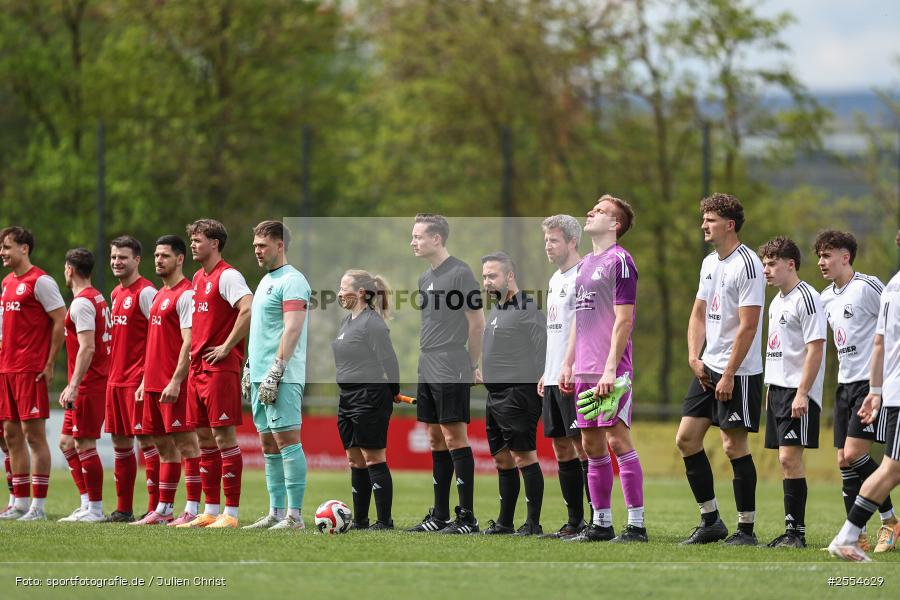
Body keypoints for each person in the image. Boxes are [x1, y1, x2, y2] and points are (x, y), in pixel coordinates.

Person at [675, 193, 765, 545]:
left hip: (738, 372)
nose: (703, 225)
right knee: (686, 439)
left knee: (733, 446)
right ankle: (711, 520)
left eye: (709, 220)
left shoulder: (749, 264)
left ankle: (746, 530)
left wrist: (728, 373)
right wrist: (693, 356)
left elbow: (748, 326)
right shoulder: (710, 262)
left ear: (729, 224)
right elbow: (698, 313)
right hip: (707, 367)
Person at [560, 195, 646, 543]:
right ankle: (601, 524)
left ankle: (637, 526)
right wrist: (568, 363)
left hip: (612, 370)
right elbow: (578, 321)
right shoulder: (583, 265)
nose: (591, 211)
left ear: (615, 225)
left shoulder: (621, 261)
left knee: (617, 440)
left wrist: (611, 368)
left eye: (600, 210)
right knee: (591, 444)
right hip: (583, 370)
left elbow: (625, 320)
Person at [816, 230, 896, 552]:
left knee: (854, 453)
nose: (821, 262)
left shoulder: (869, 287)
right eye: (819, 255)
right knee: (843, 460)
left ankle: (890, 522)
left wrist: (882, 381)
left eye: (827, 255)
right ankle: (857, 534)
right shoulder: (825, 298)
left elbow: (890, 326)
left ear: (845, 257)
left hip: (869, 384)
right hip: (844, 384)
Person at [407, 214, 485, 534]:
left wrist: (473, 364)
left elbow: (477, 322)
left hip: (451, 362)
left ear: (437, 239)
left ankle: (466, 517)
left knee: (455, 437)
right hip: (427, 362)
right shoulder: (425, 278)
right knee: (435, 438)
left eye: (418, 236)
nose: (413, 242)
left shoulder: (461, 272)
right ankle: (439, 515)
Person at [181, 219, 252, 528]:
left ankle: (231, 514)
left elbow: (248, 308)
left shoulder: (229, 275)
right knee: (203, 439)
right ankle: (210, 511)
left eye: (198, 240)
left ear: (215, 243)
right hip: (198, 367)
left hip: (220, 368)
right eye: (192, 239)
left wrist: (226, 346)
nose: (194, 244)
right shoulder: (197, 277)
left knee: (224, 436)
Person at [241, 221, 310, 531]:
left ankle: (295, 516)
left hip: (281, 375)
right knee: (268, 444)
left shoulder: (293, 281)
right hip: (260, 375)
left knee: (287, 441)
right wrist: (249, 367)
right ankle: (276, 512)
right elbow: (264, 332)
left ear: (280, 246)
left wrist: (276, 369)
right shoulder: (267, 281)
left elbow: (292, 328)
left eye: (262, 245)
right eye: (255, 244)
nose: (257, 250)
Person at [759, 237, 826, 548]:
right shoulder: (777, 302)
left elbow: (815, 350)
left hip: (798, 393)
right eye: (764, 264)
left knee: (789, 458)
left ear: (791, 264)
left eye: (772, 264)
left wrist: (802, 392)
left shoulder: (807, 298)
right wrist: (770, 388)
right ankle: (790, 531)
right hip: (778, 391)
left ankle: (796, 534)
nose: (766, 270)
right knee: (784, 461)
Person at [130, 236, 199, 526]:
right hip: (153, 383)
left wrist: (175, 380)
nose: (158, 260)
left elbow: (189, 342)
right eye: (156, 255)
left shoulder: (186, 294)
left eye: (165, 256)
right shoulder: (158, 295)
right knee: (161, 445)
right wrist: (146, 379)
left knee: (186, 444)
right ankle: (164, 508)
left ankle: (194, 509)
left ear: (180, 259)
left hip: (174, 384)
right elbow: (152, 343)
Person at [478, 252, 547, 536]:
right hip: (495, 395)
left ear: (509, 276)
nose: (486, 282)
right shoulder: (498, 309)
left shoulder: (527, 308)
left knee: (524, 457)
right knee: (501, 459)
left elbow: (543, 346)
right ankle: (505, 523)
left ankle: (532, 524)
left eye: (492, 276)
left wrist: (544, 376)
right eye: (484, 277)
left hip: (519, 393)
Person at [0, 226, 65, 521]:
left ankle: (38, 506)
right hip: (7, 368)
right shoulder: (6, 283)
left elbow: (60, 320)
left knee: (34, 436)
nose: (2, 252)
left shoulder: (41, 281)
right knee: (12, 435)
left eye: (7, 247)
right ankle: (20, 502)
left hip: (30, 369)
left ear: (24, 248)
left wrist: (49, 362)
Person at [537, 215, 591, 539]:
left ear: (572, 242)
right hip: (554, 376)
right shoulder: (555, 279)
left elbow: (586, 328)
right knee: (560, 447)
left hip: (576, 375)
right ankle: (574, 521)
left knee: (584, 446)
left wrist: (571, 367)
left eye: (554, 240)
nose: (548, 245)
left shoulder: (583, 275)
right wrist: (547, 371)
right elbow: (554, 332)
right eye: (546, 240)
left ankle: (598, 518)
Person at [332, 269, 399, 531]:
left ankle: (384, 521)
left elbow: (389, 361)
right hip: (347, 397)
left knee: (373, 458)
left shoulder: (373, 323)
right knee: (355, 460)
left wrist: (393, 391)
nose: (339, 293)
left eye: (343, 287)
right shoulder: (346, 322)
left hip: (370, 396)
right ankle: (360, 521)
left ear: (360, 292)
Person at [106, 235, 159, 522]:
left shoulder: (146, 292)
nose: (117, 262)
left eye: (123, 257)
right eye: (114, 257)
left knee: (147, 441)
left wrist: (146, 379)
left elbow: (159, 336)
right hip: (115, 380)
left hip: (137, 381)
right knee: (120, 443)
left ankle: (154, 509)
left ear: (137, 260)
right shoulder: (116, 294)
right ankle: (123, 509)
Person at [55, 249, 111, 523]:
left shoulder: (81, 303)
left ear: (69, 270)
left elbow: (87, 348)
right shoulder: (97, 296)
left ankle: (96, 510)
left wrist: (74, 384)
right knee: (67, 443)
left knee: (85, 444)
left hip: (89, 384)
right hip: (85, 383)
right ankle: (86, 503)